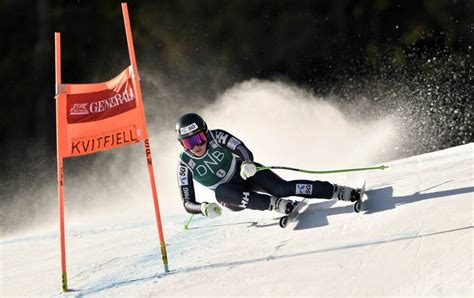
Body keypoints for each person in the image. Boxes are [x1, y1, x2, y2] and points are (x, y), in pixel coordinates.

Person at [176, 113, 361, 218]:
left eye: (199, 139)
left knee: (282, 188)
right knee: (220, 192)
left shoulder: (217, 136)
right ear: (182, 144)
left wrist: (247, 162)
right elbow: (187, 202)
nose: (196, 146)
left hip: (244, 173)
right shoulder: (185, 163)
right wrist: (203, 208)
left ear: (205, 133)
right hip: (232, 194)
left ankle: (336, 191)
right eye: (188, 143)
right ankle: (274, 205)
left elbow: (241, 148)